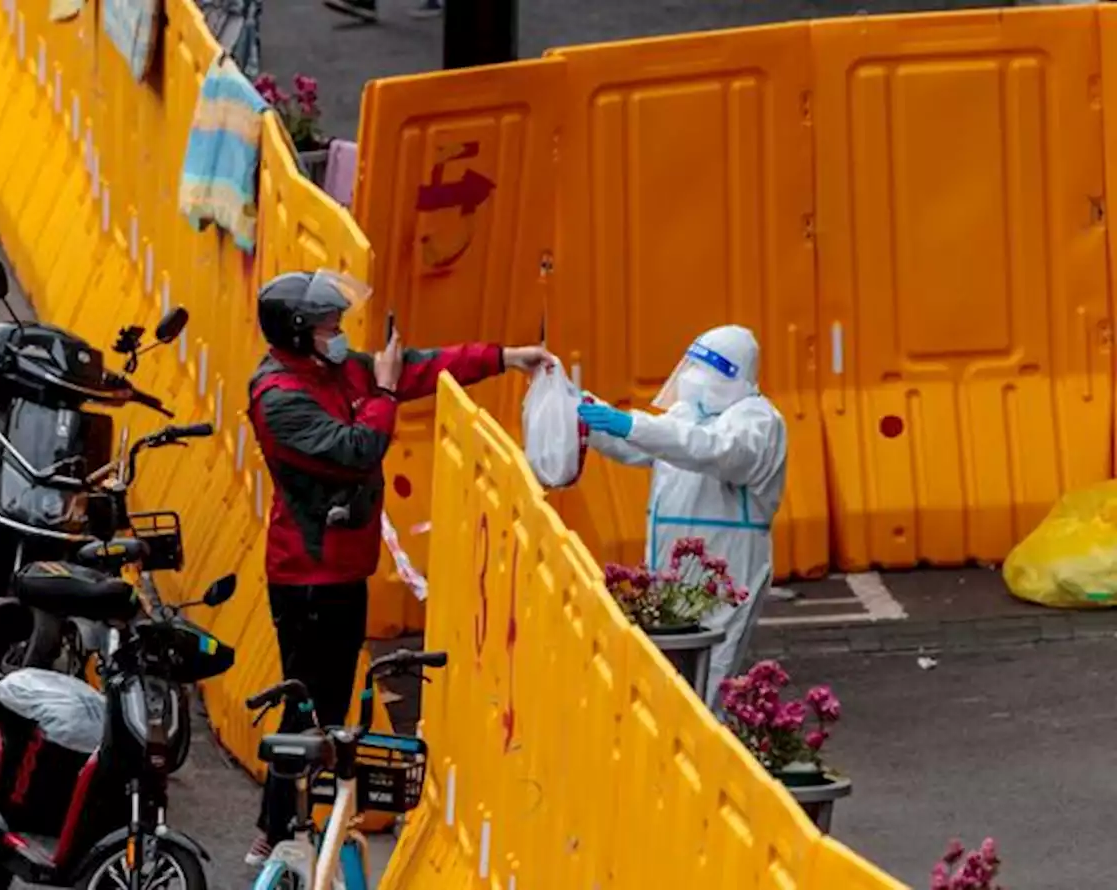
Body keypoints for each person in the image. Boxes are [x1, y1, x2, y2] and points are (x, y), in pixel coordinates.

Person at [244, 269, 550, 864]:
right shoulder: (280, 398)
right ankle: (275, 830)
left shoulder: (334, 369)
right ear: (301, 331)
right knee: (308, 707)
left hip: (344, 570)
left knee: (326, 709)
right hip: (308, 577)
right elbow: (357, 449)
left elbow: (417, 367)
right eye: (331, 325)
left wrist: (505, 358)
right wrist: (383, 397)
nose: (341, 333)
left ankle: (287, 824)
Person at [576, 324, 787, 712]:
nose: (691, 380)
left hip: (727, 572)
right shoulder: (688, 414)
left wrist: (632, 423)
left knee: (707, 686)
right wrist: (586, 412)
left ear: (733, 374)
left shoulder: (758, 422)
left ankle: (706, 768)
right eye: (691, 367)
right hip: (672, 570)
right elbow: (642, 447)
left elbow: (718, 453)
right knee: (666, 684)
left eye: (704, 371)